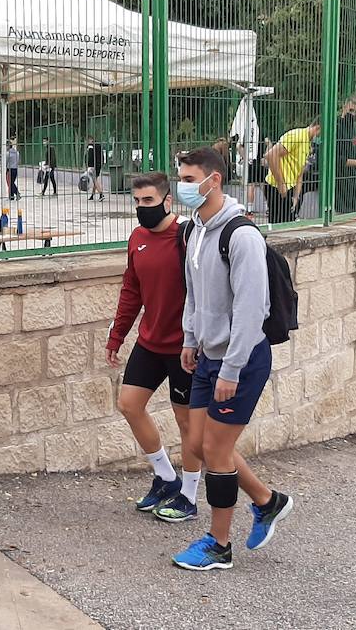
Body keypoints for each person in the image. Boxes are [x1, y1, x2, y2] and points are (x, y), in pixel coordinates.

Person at [172, 147, 293, 571]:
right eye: (181, 178)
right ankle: (267, 500)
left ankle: (218, 545)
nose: (182, 186)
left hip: (239, 360)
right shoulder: (194, 231)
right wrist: (190, 340)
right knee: (197, 444)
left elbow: (250, 308)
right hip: (207, 355)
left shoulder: (241, 236)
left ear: (214, 180)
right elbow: (194, 294)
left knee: (217, 453)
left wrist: (232, 368)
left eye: (189, 179)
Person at [105, 172, 202, 523]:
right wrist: (117, 336)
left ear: (167, 201)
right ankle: (165, 477)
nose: (142, 207)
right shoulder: (137, 238)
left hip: (186, 347)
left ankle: (189, 496)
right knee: (129, 404)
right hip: (150, 341)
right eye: (137, 201)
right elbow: (132, 289)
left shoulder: (189, 236)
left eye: (149, 201)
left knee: (187, 422)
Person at [263, 120, 320, 224]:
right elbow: (270, 155)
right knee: (279, 227)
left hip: (290, 188)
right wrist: (281, 184)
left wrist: (296, 196)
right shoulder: (297, 136)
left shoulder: (307, 143)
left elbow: (300, 172)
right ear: (317, 128)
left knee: (287, 225)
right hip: (277, 187)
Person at [86, 136, 105, 201]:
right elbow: (102, 155)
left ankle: (101, 194)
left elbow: (90, 156)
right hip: (98, 165)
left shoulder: (91, 146)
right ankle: (92, 195)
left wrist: (89, 165)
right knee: (95, 180)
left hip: (92, 165)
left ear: (91, 140)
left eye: (88, 140)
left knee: (94, 180)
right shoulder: (99, 146)